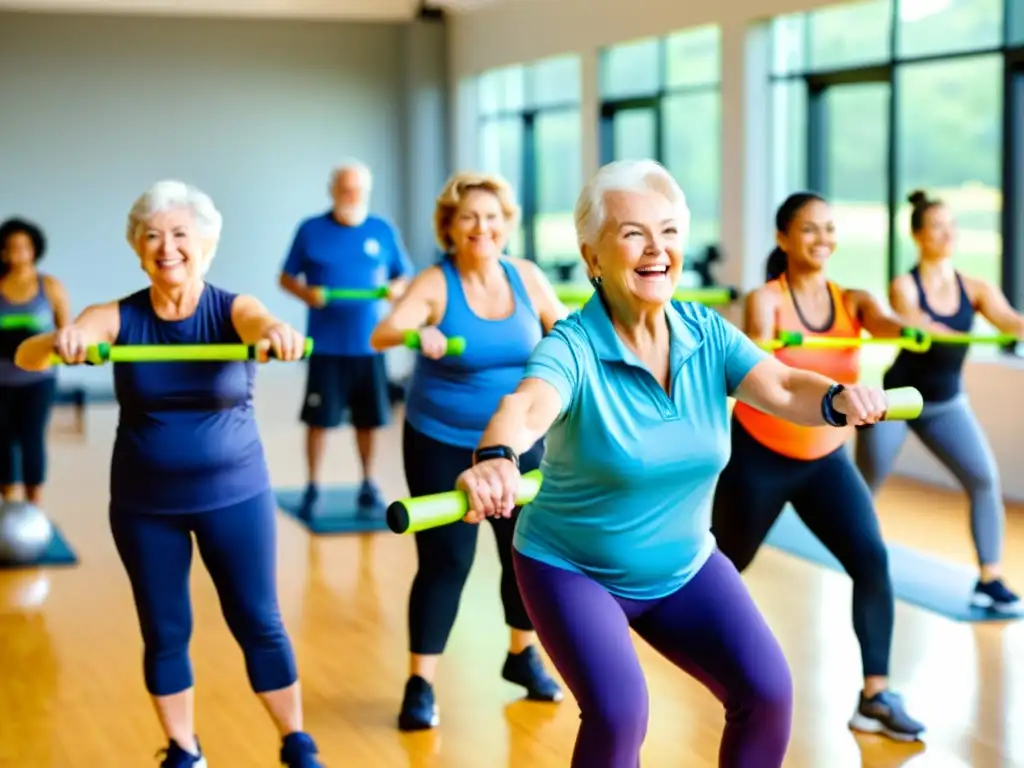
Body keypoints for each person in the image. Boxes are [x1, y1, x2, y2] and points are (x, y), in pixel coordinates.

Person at [452, 160, 898, 768]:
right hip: (573, 568)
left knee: (767, 694)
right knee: (618, 713)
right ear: (592, 256)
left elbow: (785, 383)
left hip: (684, 565)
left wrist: (836, 400)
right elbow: (525, 407)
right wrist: (497, 459)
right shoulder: (573, 347)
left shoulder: (704, 332)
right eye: (633, 233)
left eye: (667, 232)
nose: (656, 249)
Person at [15, 180, 323, 768]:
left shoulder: (233, 309)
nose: (167, 247)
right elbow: (28, 357)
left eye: (181, 234)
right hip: (144, 503)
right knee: (164, 628)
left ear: (206, 244)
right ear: (137, 247)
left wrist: (276, 334)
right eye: (153, 235)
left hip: (236, 495)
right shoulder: (116, 315)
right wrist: (63, 339)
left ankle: (295, 740)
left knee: (258, 619)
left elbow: (260, 324)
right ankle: (184, 749)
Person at [710, 191, 926, 743]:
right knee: (722, 567)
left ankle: (875, 695)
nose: (822, 239)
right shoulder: (768, 300)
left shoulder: (852, 299)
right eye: (809, 230)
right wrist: (765, 344)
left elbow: (883, 322)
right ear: (783, 239)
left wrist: (903, 325)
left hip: (824, 459)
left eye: (829, 229)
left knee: (871, 558)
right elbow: (753, 353)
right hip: (759, 457)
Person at [370, 171, 567, 731]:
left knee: (525, 556)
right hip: (443, 441)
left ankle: (521, 654)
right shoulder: (436, 282)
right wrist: (417, 336)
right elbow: (381, 334)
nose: (482, 228)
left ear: (508, 225)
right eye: (469, 218)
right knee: (447, 562)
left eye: (493, 218)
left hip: (518, 441)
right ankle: (420, 683)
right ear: (450, 228)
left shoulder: (526, 277)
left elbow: (568, 333)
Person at [856, 189, 1023, 613]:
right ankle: (858, 556)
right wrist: (932, 328)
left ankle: (990, 579)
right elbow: (917, 323)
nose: (948, 234)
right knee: (864, 486)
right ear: (919, 236)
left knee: (983, 479)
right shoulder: (904, 286)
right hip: (898, 399)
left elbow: (1011, 322)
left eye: (952, 226)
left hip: (946, 403)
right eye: (937, 227)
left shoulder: (976, 288)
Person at [279, 161, 414, 517]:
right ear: (332, 190)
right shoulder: (310, 230)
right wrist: (308, 294)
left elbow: (405, 277)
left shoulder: (382, 230)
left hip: (369, 345)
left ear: (365, 192)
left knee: (369, 419)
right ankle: (311, 485)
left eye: (356, 189)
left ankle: (368, 482)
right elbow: (286, 277)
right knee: (319, 419)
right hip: (326, 344)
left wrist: (393, 290)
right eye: (344, 188)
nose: (350, 195)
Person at [0, 217, 70, 505]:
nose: (18, 253)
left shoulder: (49, 286)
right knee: (2, 442)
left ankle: (33, 507)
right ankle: (9, 508)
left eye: (24, 247)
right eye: (11, 247)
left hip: (38, 380)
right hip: (1, 381)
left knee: (32, 440)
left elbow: (67, 333)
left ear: (34, 250)